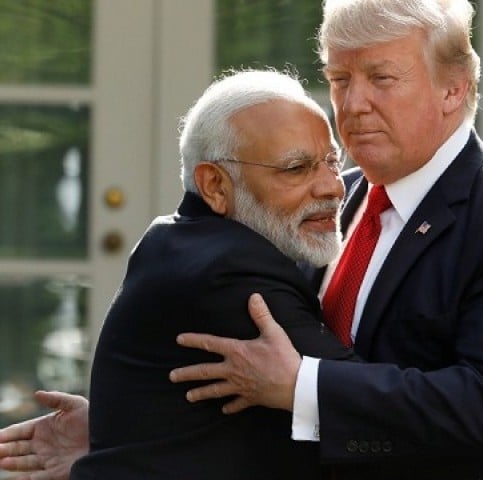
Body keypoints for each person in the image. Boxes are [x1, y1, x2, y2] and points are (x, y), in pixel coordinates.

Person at [166, 1, 483, 479]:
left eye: (381, 78)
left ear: (453, 89)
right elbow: (234, 353)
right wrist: (116, 432)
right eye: (339, 79)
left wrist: (303, 387)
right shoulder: (331, 194)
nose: (352, 104)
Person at [14, 69, 357, 480]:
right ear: (214, 184)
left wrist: (120, 430)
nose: (333, 187)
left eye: (333, 161)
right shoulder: (232, 270)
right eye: (296, 168)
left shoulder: (173, 237)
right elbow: (360, 408)